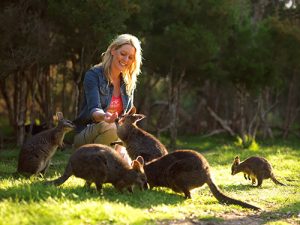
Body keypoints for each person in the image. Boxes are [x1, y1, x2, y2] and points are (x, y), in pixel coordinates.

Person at [73, 34, 142, 157]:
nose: (126, 60)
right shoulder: (93, 75)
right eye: (123, 54)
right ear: (113, 50)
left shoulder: (128, 82)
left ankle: (104, 160)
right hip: (86, 134)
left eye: (130, 57)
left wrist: (120, 147)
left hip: (114, 137)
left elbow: (126, 119)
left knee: (129, 168)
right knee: (110, 127)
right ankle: (92, 160)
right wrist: (105, 116)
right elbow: (94, 110)